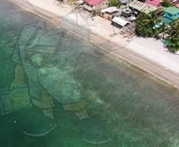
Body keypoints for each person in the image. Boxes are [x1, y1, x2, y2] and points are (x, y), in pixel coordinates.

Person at [10, 16, 109, 144]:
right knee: (42, 99)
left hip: (60, 80)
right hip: (36, 79)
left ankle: (85, 120)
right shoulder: (28, 30)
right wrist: (17, 79)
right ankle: (48, 118)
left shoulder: (70, 35)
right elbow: (19, 56)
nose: (55, 21)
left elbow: (91, 49)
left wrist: (106, 43)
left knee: (72, 100)